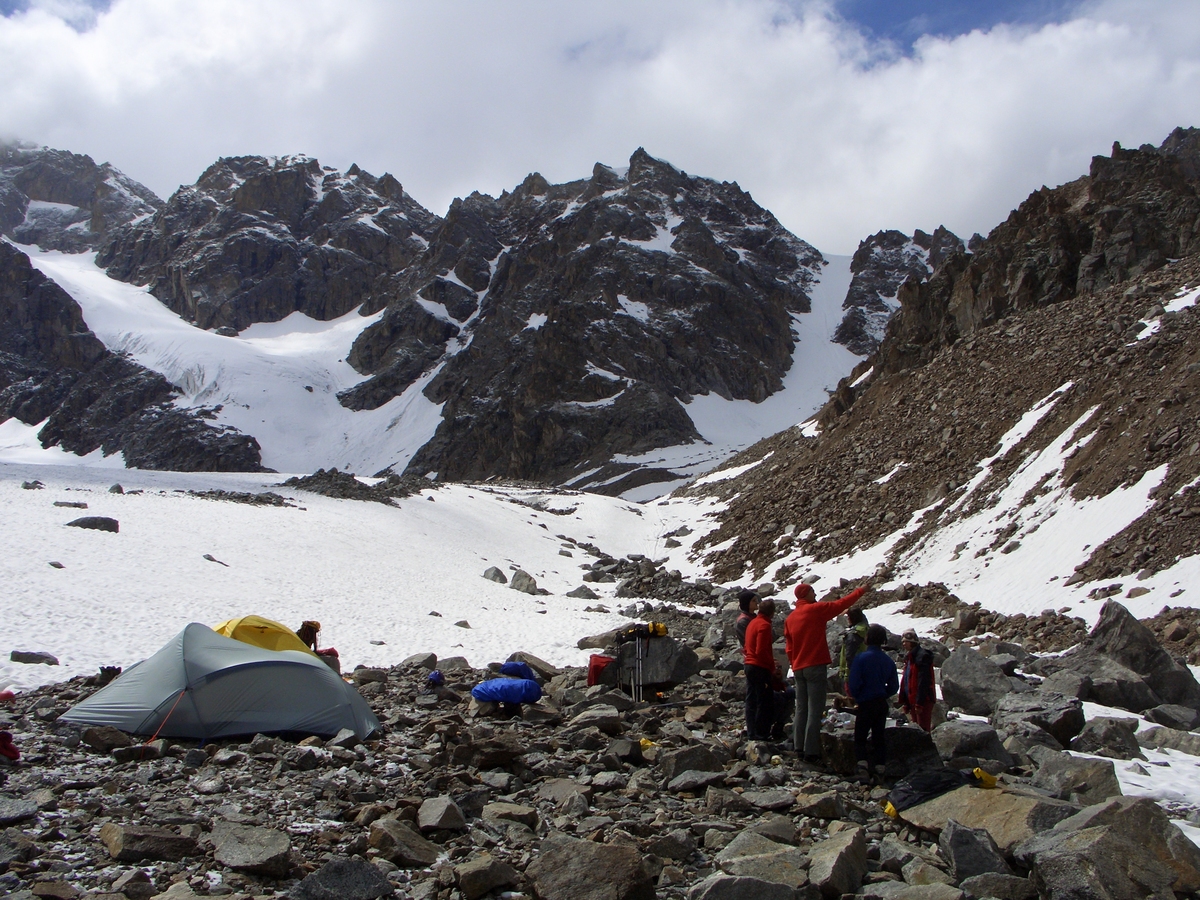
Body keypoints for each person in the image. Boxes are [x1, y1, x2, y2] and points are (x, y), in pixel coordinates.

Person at [785, 581, 868, 764]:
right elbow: (841, 605)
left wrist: (794, 662)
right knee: (815, 709)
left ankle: (798, 747)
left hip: (798, 667)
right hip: (815, 664)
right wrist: (861, 590)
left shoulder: (790, 618)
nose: (815, 595)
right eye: (813, 592)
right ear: (805, 594)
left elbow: (789, 648)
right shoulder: (815, 610)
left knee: (802, 708)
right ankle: (811, 751)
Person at [848, 624, 899, 781]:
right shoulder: (888, 661)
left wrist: (857, 696)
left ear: (868, 638)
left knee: (860, 737)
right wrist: (884, 693)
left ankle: (862, 768)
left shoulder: (861, 658)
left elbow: (854, 683)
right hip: (880, 702)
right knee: (878, 737)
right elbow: (894, 686)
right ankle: (880, 769)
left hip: (865, 703)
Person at [743, 598, 780, 741]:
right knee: (764, 701)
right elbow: (761, 650)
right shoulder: (764, 625)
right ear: (771, 613)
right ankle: (761, 733)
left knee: (751, 699)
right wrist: (772, 666)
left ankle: (752, 732)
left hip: (749, 664)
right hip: (759, 666)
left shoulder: (752, 623)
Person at [898, 629, 936, 731]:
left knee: (923, 729)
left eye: (906, 641)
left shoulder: (922, 657)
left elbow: (923, 681)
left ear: (913, 642)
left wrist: (919, 703)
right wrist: (906, 702)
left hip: (923, 700)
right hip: (913, 700)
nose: (904, 644)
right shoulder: (910, 658)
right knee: (916, 730)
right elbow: (906, 681)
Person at [838, 609, 869, 695]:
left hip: (851, 673)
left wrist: (846, 675)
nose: (847, 619)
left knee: (852, 698)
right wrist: (851, 611)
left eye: (849, 617)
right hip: (863, 670)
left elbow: (849, 657)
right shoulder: (864, 629)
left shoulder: (852, 635)